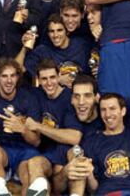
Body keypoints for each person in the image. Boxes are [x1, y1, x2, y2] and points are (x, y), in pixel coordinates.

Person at [0, 58, 45, 196]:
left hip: (24, 149)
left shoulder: (29, 99)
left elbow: (36, 141)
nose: (9, 81)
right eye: (4, 76)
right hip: (2, 148)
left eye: (12, 76)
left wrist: (23, 129)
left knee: (28, 176)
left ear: (18, 77)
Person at [24, 59, 82, 190]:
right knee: (33, 163)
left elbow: (74, 137)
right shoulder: (36, 95)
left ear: (59, 77)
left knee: (70, 165)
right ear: (38, 80)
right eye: (44, 79)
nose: (49, 83)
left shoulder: (70, 97)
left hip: (68, 150)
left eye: (52, 77)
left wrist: (38, 126)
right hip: (47, 152)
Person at [18, 14, 91, 87]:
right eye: (52, 31)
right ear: (48, 34)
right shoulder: (42, 51)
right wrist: (24, 48)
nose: (55, 35)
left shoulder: (82, 45)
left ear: (67, 32)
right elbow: (18, 71)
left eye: (59, 30)